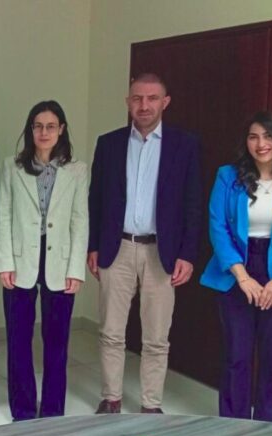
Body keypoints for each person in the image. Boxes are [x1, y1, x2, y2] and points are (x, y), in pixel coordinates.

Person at [88, 73, 202, 414]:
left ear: (165, 102)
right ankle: (111, 398)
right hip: (117, 248)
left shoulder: (184, 145)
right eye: (137, 98)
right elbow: (96, 199)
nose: (144, 105)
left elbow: (193, 204)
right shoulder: (109, 144)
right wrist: (93, 246)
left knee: (156, 337)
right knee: (111, 331)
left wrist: (187, 254)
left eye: (152, 98)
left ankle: (151, 405)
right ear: (128, 102)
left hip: (161, 253)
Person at [200, 111, 272, 423]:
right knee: (236, 357)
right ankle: (234, 426)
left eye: (268, 136)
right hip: (237, 270)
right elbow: (218, 227)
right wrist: (242, 277)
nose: (261, 143)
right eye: (253, 136)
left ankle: (268, 428)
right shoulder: (227, 176)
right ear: (246, 142)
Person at [0, 100, 88, 420]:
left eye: (50, 126)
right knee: (18, 339)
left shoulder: (76, 170)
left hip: (59, 261)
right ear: (30, 130)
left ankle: (51, 410)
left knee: (57, 342)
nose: (44, 132)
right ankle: (22, 410)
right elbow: (3, 216)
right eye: (38, 126)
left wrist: (76, 269)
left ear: (61, 130)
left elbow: (80, 220)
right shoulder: (12, 166)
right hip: (21, 260)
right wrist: (5, 262)